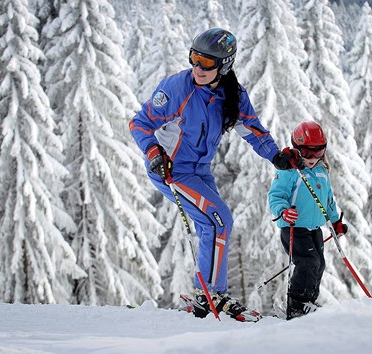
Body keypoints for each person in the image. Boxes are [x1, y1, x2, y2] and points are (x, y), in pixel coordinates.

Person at [129, 28, 302, 321]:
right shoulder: (177, 88)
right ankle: (211, 294)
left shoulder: (231, 95)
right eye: (194, 58)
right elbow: (140, 123)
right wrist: (154, 152)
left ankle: (207, 295)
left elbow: (253, 130)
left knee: (215, 224)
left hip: (199, 172)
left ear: (224, 65)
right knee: (218, 220)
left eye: (206, 63)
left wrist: (276, 156)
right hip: (171, 170)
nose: (197, 67)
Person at [268, 121, 348, 320]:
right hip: (294, 227)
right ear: (296, 148)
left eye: (318, 153)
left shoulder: (322, 172)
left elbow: (328, 200)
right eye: (307, 153)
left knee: (319, 264)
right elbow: (276, 196)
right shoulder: (290, 171)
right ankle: (297, 303)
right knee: (308, 262)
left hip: (314, 228)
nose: (313, 158)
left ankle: (309, 301)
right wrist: (284, 212)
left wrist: (335, 221)